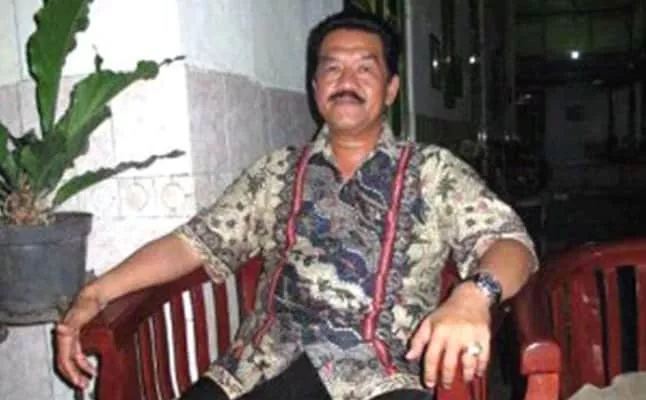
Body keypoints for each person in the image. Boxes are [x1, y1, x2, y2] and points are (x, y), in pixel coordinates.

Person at [55, 9, 536, 400]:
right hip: (261, 368)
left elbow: (512, 244)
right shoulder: (276, 172)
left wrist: (474, 295)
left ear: (391, 88)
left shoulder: (433, 171)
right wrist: (99, 292)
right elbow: (195, 243)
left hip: (382, 375)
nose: (346, 80)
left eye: (365, 68)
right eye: (332, 67)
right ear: (315, 86)